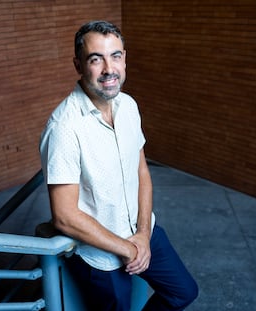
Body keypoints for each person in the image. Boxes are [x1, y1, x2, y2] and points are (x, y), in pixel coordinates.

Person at [39, 20, 198, 311]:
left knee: (183, 292)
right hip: (101, 258)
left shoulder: (129, 106)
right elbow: (64, 216)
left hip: (142, 232)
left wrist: (141, 235)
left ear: (124, 59)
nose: (109, 69)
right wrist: (127, 248)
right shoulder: (64, 127)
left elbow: (141, 171)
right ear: (78, 65)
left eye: (115, 56)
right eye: (95, 59)